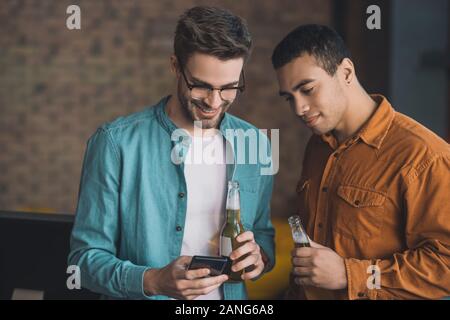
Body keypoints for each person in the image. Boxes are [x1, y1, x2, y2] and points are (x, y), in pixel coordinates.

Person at [68, 6, 275, 300]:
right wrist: (151, 280)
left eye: (229, 87)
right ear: (175, 66)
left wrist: (260, 257)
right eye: (201, 86)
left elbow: (264, 235)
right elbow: (83, 261)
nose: (215, 102)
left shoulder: (256, 144)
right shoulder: (115, 143)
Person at [272, 24, 450, 299]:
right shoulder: (317, 146)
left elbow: (445, 266)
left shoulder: (424, 156)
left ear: (345, 72)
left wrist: (349, 274)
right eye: (289, 98)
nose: (299, 108)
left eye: (307, 89)